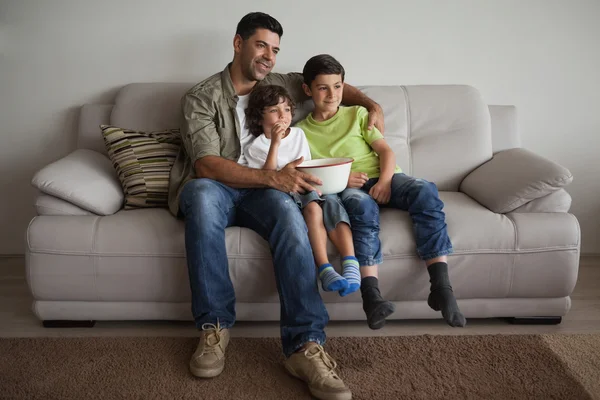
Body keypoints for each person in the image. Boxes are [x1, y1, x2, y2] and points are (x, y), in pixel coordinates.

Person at [168, 12, 385, 400]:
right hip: (217, 187)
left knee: (289, 212)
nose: (268, 55)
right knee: (200, 194)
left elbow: (329, 87)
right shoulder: (200, 97)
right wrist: (273, 178)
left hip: (265, 195)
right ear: (238, 44)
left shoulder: (279, 83)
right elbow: (206, 164)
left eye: (275, 49)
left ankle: (305, 345)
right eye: (261, 45)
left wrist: (371, 105)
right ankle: (214, 328)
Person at [297, 54, 467, 328]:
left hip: (385, 177)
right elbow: (308, 173)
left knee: (425, 190)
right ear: (308, 90)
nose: (332, 95)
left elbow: (386, 152)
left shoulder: (358, 114)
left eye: (337, 86)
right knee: (360, 208)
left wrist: (385, 182)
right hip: (349, 189)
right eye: (323, 88)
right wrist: (341, 178)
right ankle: (371, 296)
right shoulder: (301, 132)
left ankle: (441, 287)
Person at [244, 84, 359, 294]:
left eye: (287, 109)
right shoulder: (256, 146)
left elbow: (306, 164)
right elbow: (266, 177)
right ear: (259, 118)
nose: (283, 116)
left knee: (332, 204)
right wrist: (275, 144)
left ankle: (351, 265)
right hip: (282, 194)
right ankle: (325, 268)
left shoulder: (298, 135)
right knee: (314, 208)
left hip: (307, 186)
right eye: (274, 110)